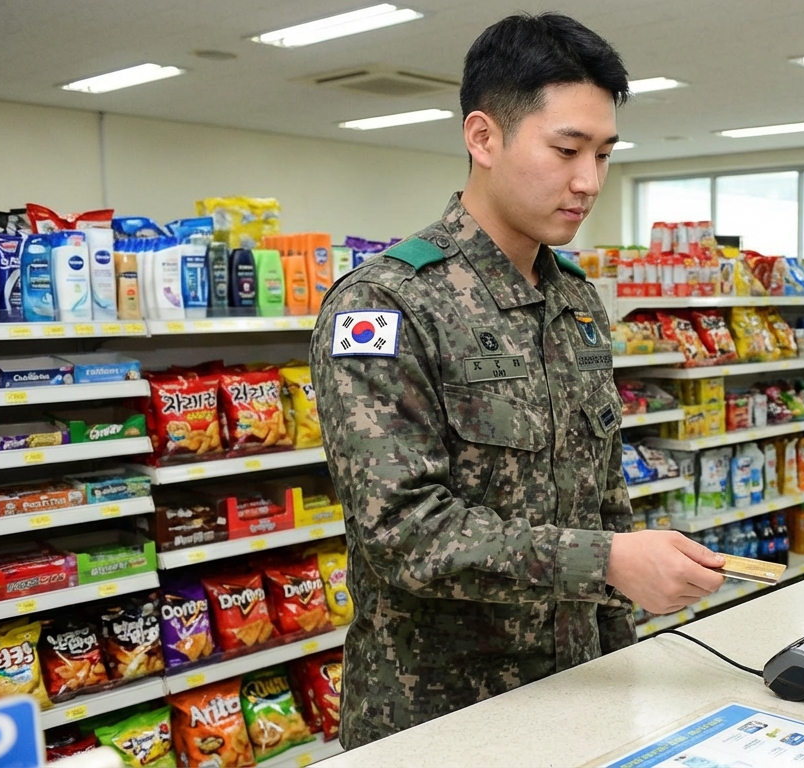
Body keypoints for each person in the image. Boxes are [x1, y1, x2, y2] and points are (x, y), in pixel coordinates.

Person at [309, 12, 726, 749]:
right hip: (439, 721)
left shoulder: (574, 296)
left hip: (583, 691)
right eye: (567, 149)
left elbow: (602, 498)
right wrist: (607, 564)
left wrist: (624, 642)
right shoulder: (386, 303)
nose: (589, 180)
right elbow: (399, 534)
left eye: (603, 153)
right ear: (484, 138)